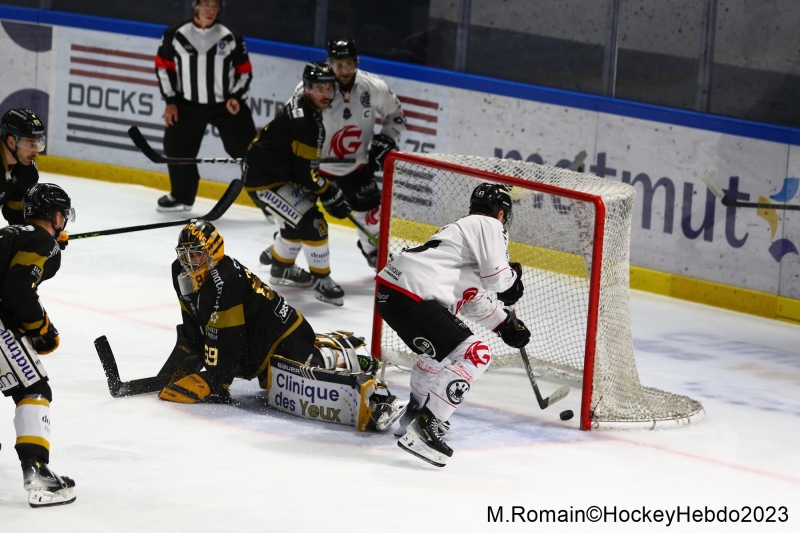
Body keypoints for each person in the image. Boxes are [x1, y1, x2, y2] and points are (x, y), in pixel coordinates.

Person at [157, 219, 405, 431]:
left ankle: (345, 356)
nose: (190, 262)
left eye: (197, 253)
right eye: (185, 255)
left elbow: (228, 337)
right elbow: (194, 318)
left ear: (213, 250)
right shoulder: (180, 272)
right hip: (256, 346)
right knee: (274, 384)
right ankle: (330, 351)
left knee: (304, 379)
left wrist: (215, 381)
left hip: (284, 334)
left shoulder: (226, 278)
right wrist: (190, 355)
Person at [374, 183, 531, 467]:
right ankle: (428, 425)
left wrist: (505, 323)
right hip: (411, 293)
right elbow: (498, 278)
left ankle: (414, 414)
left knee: (435, 355)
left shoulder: (459, 244)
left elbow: (472, 298)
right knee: (476, 354)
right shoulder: (487, 225)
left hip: (392, 293)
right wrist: (512, 281)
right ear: (501, 214)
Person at [244, 62, 352, 306]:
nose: (325, 94)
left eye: (329, 88)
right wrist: (330, 192)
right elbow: (308, 176)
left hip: (273, 173)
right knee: (314, 223)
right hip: (265, 182)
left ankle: (281, 268)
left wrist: (323, 190)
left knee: (295, 224)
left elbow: (303, 170)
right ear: (306, 88)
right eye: (318, 88)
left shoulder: (301, 103)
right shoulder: (308, 124)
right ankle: (321, 280)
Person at [0, 183, 76, 507]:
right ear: (57, 216)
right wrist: (41, 328)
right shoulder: (42, 241)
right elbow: (19, 290)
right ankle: (37, 473)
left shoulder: (10, 231)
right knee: (33, 389)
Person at [303, 38, 406, 268]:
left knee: (371, 216)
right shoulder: (314, 87)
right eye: (338, 64)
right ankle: (283, 259)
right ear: (329, 63)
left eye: (349, 63)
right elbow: (292, 123)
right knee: (300, 215)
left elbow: (396, 115)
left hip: (356, 166)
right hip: (314, 168)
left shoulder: (372, 86)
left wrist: (387, 139)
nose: (344, 70)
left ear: (357, 62)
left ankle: (372, 252)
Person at [154, 0, 256, 212]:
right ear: (195, 6)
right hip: (187, 104)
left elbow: (244, 71)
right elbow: (163, 68)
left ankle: (267, 198)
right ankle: (182, 196)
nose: (210, 11)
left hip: (226, 106)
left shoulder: (230, 36)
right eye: (206, 5)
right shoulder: (175, 34)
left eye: (215, 6)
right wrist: (171, 101)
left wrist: (236, 96)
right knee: (177, 147)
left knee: (250, 150)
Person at [1, 109, 45, 225]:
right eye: (30, 144)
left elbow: (17, 218)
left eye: (37, 144)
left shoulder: (27, 172)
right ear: (11, 142)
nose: (36, 152)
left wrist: (43, 233)